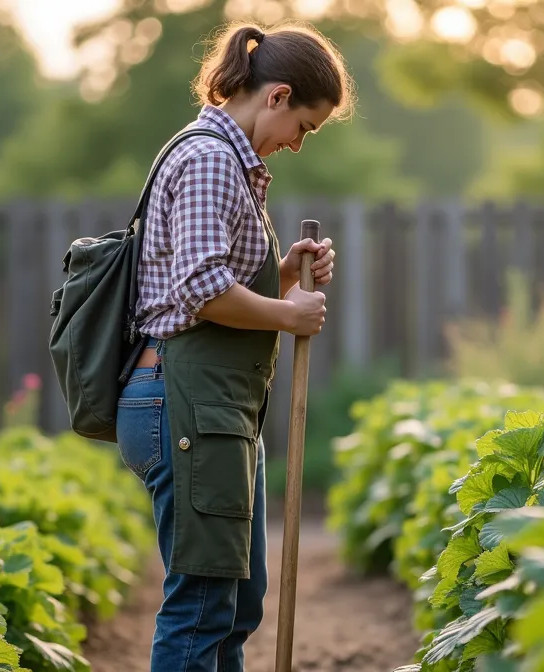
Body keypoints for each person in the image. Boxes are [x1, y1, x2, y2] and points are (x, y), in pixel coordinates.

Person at [115, 20, 351, 672]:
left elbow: (207, 282)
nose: (298, 145)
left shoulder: (229, 161)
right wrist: (289, 313)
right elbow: (198, 294)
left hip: (213, 407)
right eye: (304, 126)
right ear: (276, 96)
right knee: (201, 604)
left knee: (236, 600)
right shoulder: (211, 161)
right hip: (184, 404)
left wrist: (281, 278)